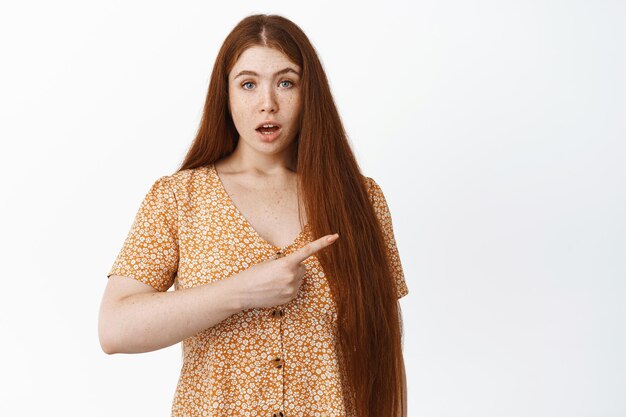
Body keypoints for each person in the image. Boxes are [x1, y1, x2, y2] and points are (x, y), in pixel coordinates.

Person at [98, 13, 409, 417]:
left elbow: (385, 350)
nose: (268, 103)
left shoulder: (361, 200)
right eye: (248, 84)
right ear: (224, 95)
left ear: (308, 92)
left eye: (286, 82)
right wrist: (243, 290)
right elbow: (114, 329)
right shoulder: (179, 197)